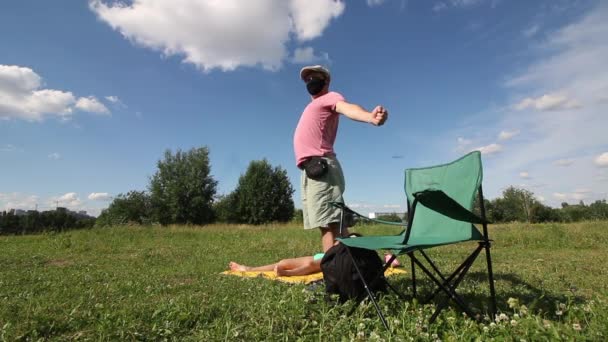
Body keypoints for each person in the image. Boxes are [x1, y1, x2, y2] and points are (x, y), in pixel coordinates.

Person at [293, 65, 388, 253]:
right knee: (328, 223)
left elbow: (347, 108)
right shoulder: (312, 105)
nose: (311, 81)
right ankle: (346, 269)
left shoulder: (330, 97)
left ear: (326, 81)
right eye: (307, 79)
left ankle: (334, 276)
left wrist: (369, 116)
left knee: (330, 224)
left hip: (322, 166)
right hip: (312, 169)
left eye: (315, 77)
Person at [228, 252, 325, 277]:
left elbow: (311, 265)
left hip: (332, 258)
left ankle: (288, 273)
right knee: (283, 262)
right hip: (324, 255)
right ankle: (250, 269)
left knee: (311, 265)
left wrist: (287, 273)